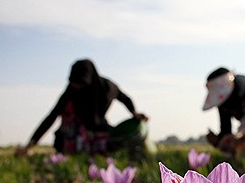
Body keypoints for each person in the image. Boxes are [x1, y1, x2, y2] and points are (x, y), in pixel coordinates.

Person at [16, 59, 148, 155]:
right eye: (73, 83)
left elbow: (125, 98)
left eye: (80, 84)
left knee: (122, 141)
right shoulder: (71, 90)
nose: (76, 87)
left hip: (98, 129)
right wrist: (30, 145)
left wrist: (134, 113)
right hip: (73, 135)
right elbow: (52, 116)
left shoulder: (107, 87)